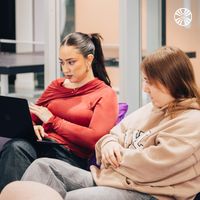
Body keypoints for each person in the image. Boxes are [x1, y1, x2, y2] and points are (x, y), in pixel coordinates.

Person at [3, 46, 200, 200]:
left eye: (150, 82)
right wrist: (109, 144)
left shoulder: (191, 121)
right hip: (112, 178)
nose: (145, 89)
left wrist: (115, 157)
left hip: (149, 193)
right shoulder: (152, 108)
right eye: (144, 81)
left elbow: (153, 166)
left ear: (170, 82)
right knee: (41, 167)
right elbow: (111, 135)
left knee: (69, 197)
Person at [0, 32, 118, 191]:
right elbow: (34, 114)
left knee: (38, 162)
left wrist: (53, 121)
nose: (65, 69)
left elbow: (95, 139)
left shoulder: (105, 94)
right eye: (62, 63)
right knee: (15, 147)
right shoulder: (56, 85)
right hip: (43, 143)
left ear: (89, 59)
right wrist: (32, 126)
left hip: (70, 156)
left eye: (71, 62)